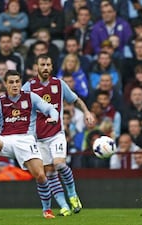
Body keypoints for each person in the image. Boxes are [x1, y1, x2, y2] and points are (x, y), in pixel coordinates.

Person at [0, 70, 60, 219]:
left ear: (20, 82)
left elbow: (50, 109)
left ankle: (47, 210)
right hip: (6, 140)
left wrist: (54, 118)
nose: (15, 85)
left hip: (26, 140)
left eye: (17, 81)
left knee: (41, 176)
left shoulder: (31, 97)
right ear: (5, 84)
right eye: (11, 82)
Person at [22, 54, 95, 214]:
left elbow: (76, 99)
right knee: (49, 172)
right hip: (39, 139)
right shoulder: (29, 87)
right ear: (37, 67)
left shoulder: (59, 84)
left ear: (52, 67)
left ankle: (73, 195)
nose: (46, 68)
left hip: (56, 134)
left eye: (48, 64)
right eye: (43, 65)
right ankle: (64, 206)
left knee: (60, 164)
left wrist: (86, 112)